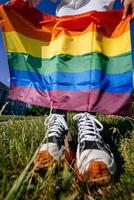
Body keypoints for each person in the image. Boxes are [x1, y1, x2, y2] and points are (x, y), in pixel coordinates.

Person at [9, 0, 133, 185]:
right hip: (64, 14)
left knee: (90, 62)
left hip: (98, 9)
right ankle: (60, 132)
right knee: (62, 63)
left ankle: (88, 132)